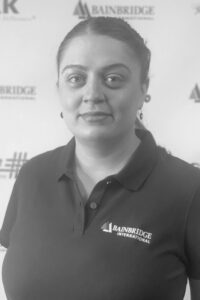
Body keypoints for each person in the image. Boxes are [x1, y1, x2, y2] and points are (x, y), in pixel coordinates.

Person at [0, 16, 200, 300]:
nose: (92, 94)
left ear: (143, 90)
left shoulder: (189, 189)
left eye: (113, 79)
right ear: (59, 88)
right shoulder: (33, 175)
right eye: (76, 78)